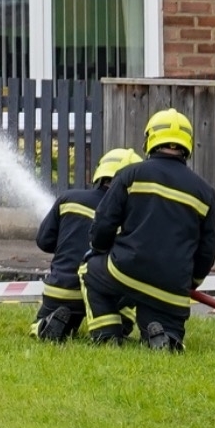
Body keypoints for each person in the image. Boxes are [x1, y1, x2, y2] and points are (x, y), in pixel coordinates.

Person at [82, 108, 215, 351]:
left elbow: (104, 222)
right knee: (164, 318)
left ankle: (108, 335)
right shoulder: (205, 192)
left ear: (149, 139)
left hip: (126, 272)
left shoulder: (130, 174)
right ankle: (164, 335)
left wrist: (100, 250)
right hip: (172, 288)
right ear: (187, 144)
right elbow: (208, 248)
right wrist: (191, 282)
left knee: (89, 270)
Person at [33, 146, 139, 341]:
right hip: (101, 294)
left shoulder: (68, 199)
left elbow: (44, 241)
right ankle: (119, 327)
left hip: (61, 288)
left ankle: (44, 326)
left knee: (47, 325)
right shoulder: (129, 217)